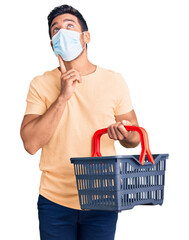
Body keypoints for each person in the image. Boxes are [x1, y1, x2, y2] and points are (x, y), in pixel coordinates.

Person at [20, 4, 140, 240]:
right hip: (54, 201)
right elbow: (30, 144)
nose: (61, 33)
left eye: (69, 26)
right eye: (55, 30)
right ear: (52, 44)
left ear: (86, 37)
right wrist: (63, 96)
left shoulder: (114, 81)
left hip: (103, 199)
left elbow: (135, 138)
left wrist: (125, 135)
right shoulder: (41, 84)